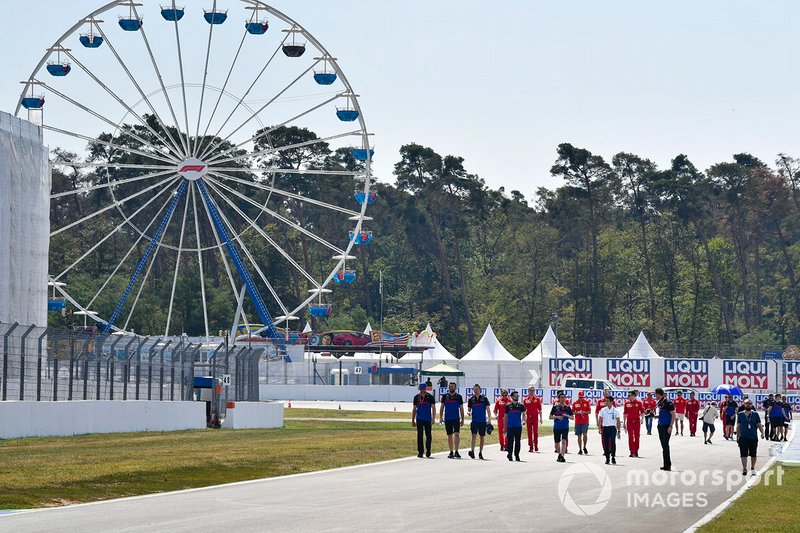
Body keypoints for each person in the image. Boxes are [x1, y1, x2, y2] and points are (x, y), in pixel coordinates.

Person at [735, 398, 765, 476]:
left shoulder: (755, 414)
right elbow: (738, 426)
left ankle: (752, 467)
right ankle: (744, 469)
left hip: (753, 437)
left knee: (753, 454)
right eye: (747, 403)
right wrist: (737, 436)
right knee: (743, 454)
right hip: (743, 437)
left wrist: (762, 433)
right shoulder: (740, 414)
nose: (748, 404)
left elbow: (759, 424)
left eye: (750, 403)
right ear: (744, 404)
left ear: (752, 405)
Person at [439, 381, 464, 459]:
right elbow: (442, 407)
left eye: (453, 386)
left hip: (456, 418)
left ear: (455, 388)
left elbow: (461, 408)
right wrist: (440, 417)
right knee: (449, 435)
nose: (451, 388)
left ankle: (456, 451)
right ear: (448, 387)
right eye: (450, 386)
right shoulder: (445, 396)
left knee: (456, 434)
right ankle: (451, 451)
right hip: (447, 418)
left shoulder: (459, 397)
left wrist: (462, 419)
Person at [467, 384, 491, 460]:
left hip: (482, 421)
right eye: (474, 389)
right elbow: (469, 410)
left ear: (480, 390)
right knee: (474, 435)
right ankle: (472, 451)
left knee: (482, 437)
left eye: (477, 389)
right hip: (474, 421)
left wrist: (489, 420)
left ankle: (480, 452)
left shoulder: (484, 399)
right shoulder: (471, 399)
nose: (476, 390)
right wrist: (469, 413)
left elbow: (488, 410)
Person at [412, 384, 436, 458]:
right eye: (421, 390)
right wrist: (413, 420)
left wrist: (433, 418)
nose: (422, 391)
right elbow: (414, 409)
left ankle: (428, 450)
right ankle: (420, 452)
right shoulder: (416, 397)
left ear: (426, 389)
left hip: (428, 419)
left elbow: (433, 408)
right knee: (420, 435)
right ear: (419, 389)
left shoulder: (430, 397)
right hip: (419, 418)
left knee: (428, 435)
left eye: (424, 390)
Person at [550, 392, 574, 463]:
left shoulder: (568, 407)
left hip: (565, 427)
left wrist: (566, 416)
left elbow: (572, 417)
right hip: (557, 427)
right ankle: (559, 454)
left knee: (564, 441)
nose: (563, 399)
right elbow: (550, 417)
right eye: (561, 397)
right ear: (558, 399)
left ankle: (563, 456)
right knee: (557, 443)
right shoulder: (555, 407)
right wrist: (557, 417)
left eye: (564, 397)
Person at [655, 388, 675, 471]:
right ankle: (665, 464)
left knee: (666, 445)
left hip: (667, 426)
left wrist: (670, 426)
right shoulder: (660, 402)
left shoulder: (668, 403)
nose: (655, 396)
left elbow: (673, 415)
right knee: (663, 445)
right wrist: (653, 415)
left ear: (659, 394)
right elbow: (662, 414)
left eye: (655, 394)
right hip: (660, 426)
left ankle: (668, 465)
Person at [598, 396, 622, 464]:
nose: (606, 402)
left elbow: (618, 421)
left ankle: (613, 457)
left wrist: (619, 431)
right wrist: (599, 427)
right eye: (606, 401)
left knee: (612, 442)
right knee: (606, 443)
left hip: (612, 428)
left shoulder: (615, 410)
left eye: (608, 401)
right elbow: (600, 419)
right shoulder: (602, 410)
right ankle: (607, 458)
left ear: (612, 402)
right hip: (605, 428)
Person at [505, 391, 526, 461]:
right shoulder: (508, 406)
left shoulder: (521, 405)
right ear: (512, 397)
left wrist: (523, 420)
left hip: (518, 426)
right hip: (510, 426)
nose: (517, 397)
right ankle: (510, 454)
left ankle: (517, 455)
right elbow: (505, 417)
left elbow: (523, 414)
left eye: (517, 395)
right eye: (515, 395)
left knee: (518, 441)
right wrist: (505, 428)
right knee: (510, 441)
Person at [623, 390, 643, 457]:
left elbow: (642, 412)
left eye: (630, 395)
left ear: (634, 396)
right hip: (629, 422)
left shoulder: (639, 403)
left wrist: (642, 419)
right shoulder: (626, 403)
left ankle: (636, 451)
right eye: (628, 396)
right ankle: (632, 452)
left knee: (637, 437)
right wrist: (624, 422)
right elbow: (625, 413)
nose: (629, 397)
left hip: (637, 422)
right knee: (630, 437)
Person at [523, 387, 543, 452]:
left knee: (535, 432)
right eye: (530, 390)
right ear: (528, 391)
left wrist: (541, 418)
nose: (531, 392)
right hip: (528, 417)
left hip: (535, 418)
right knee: (529, 432)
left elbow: (540, 409)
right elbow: (523, 410)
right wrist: (523, 419)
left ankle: (536, 445)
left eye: (533, 390)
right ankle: (531, 446)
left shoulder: (537, 399)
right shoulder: (526, 399)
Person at [572, 391, 592, 455]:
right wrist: (578, 412)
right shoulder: (575, 403)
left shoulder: (587, 402)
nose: (581, 398)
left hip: (585, 421)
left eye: (582, 397)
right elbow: (572, 412)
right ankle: (580, 449)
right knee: (579, 435)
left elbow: (589, 411)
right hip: (578, 421)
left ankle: (584, 447)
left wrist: (583, 412)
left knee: (585, 434)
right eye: (580, 397)